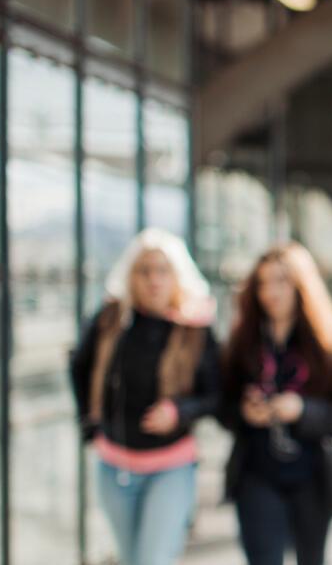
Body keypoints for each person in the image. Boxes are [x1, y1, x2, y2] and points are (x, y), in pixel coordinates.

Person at [69, 228, 219, 565]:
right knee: (131, 556)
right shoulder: (111, 320)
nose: (153, 280)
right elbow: (79, 366)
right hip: (115, 465)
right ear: (130, 276)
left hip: (171, 466)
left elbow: (216, 394)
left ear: (177, 276)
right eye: (144, 271)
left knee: (152, 559)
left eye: (162, 271)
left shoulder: (195, 327)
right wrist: (89, 423)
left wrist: (179, 411)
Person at [219, 243, 332, 565]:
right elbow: (222, 402)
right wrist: (244, 412)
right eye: (263, 283)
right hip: (258, 472)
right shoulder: (245, 339)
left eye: (281, 281)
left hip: (315, 474)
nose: (271, 292)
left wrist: (304, 410)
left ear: (301, 285)